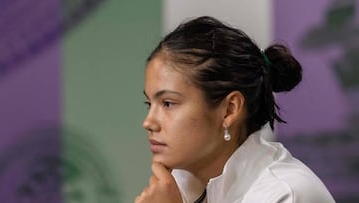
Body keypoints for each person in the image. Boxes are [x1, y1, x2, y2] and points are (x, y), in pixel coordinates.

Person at [135, 16, 335, 203]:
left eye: (168, 103)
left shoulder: (287, 194)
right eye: (149, 104)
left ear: (229, 110)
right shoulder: (176, 188)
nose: (148, 122)